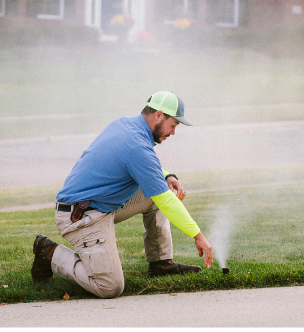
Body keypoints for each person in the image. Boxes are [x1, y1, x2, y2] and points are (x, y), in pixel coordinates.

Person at [31, 91, 213, 298]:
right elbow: (164, 198)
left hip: (96, 204)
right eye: (173, 125)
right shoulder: (137, 145)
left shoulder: (126, 125)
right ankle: (49, 253)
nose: (173, 132)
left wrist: (167, 176)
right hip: (80, 216)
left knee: (158, 193)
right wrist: (198, 236)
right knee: (110, 287)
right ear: (159, 114)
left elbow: (144, 169)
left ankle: (161, 263)